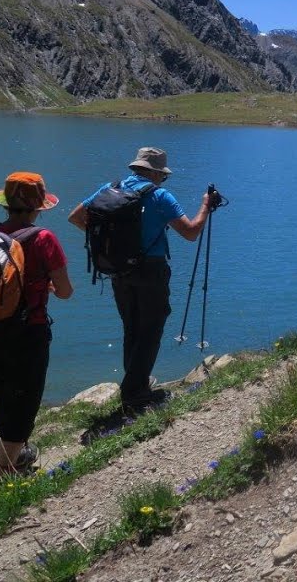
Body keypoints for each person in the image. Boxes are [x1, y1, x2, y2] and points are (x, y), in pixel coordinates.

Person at [67, 147, 214, 414]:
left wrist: (106, 241)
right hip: (151, 270)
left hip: (119, 270)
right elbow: (191, 232)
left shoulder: (110, 188)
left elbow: (75, 217)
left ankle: (137, 383)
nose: (163, 180)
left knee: (132, 327)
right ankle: (134, 394)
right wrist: (206, 205)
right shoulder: (160, 196)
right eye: (163, 176)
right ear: (156, 173)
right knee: (151, 329)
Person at [0, 172, 74, 482]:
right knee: (25, 403)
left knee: (2, 397)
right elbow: (65, 291)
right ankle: (4, 476)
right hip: (27, 333)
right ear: (38, 207)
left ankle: (15, 456)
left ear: (5, 203)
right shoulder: (43, 239)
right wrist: (42, 286)